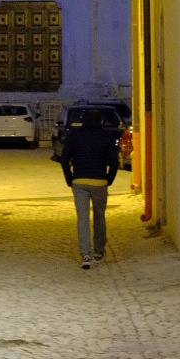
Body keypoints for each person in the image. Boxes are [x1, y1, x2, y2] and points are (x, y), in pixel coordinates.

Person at [59, 107, 120, 268]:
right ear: (101, 121)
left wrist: (69, 179)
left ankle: (85, 255)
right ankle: (99, 251)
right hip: (100, 182)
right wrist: (109, 180)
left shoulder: (74, 135)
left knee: (83, 219)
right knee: (99, 216)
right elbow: (114, 163)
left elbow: (64, 159)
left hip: (79, 182)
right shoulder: (106, 136)